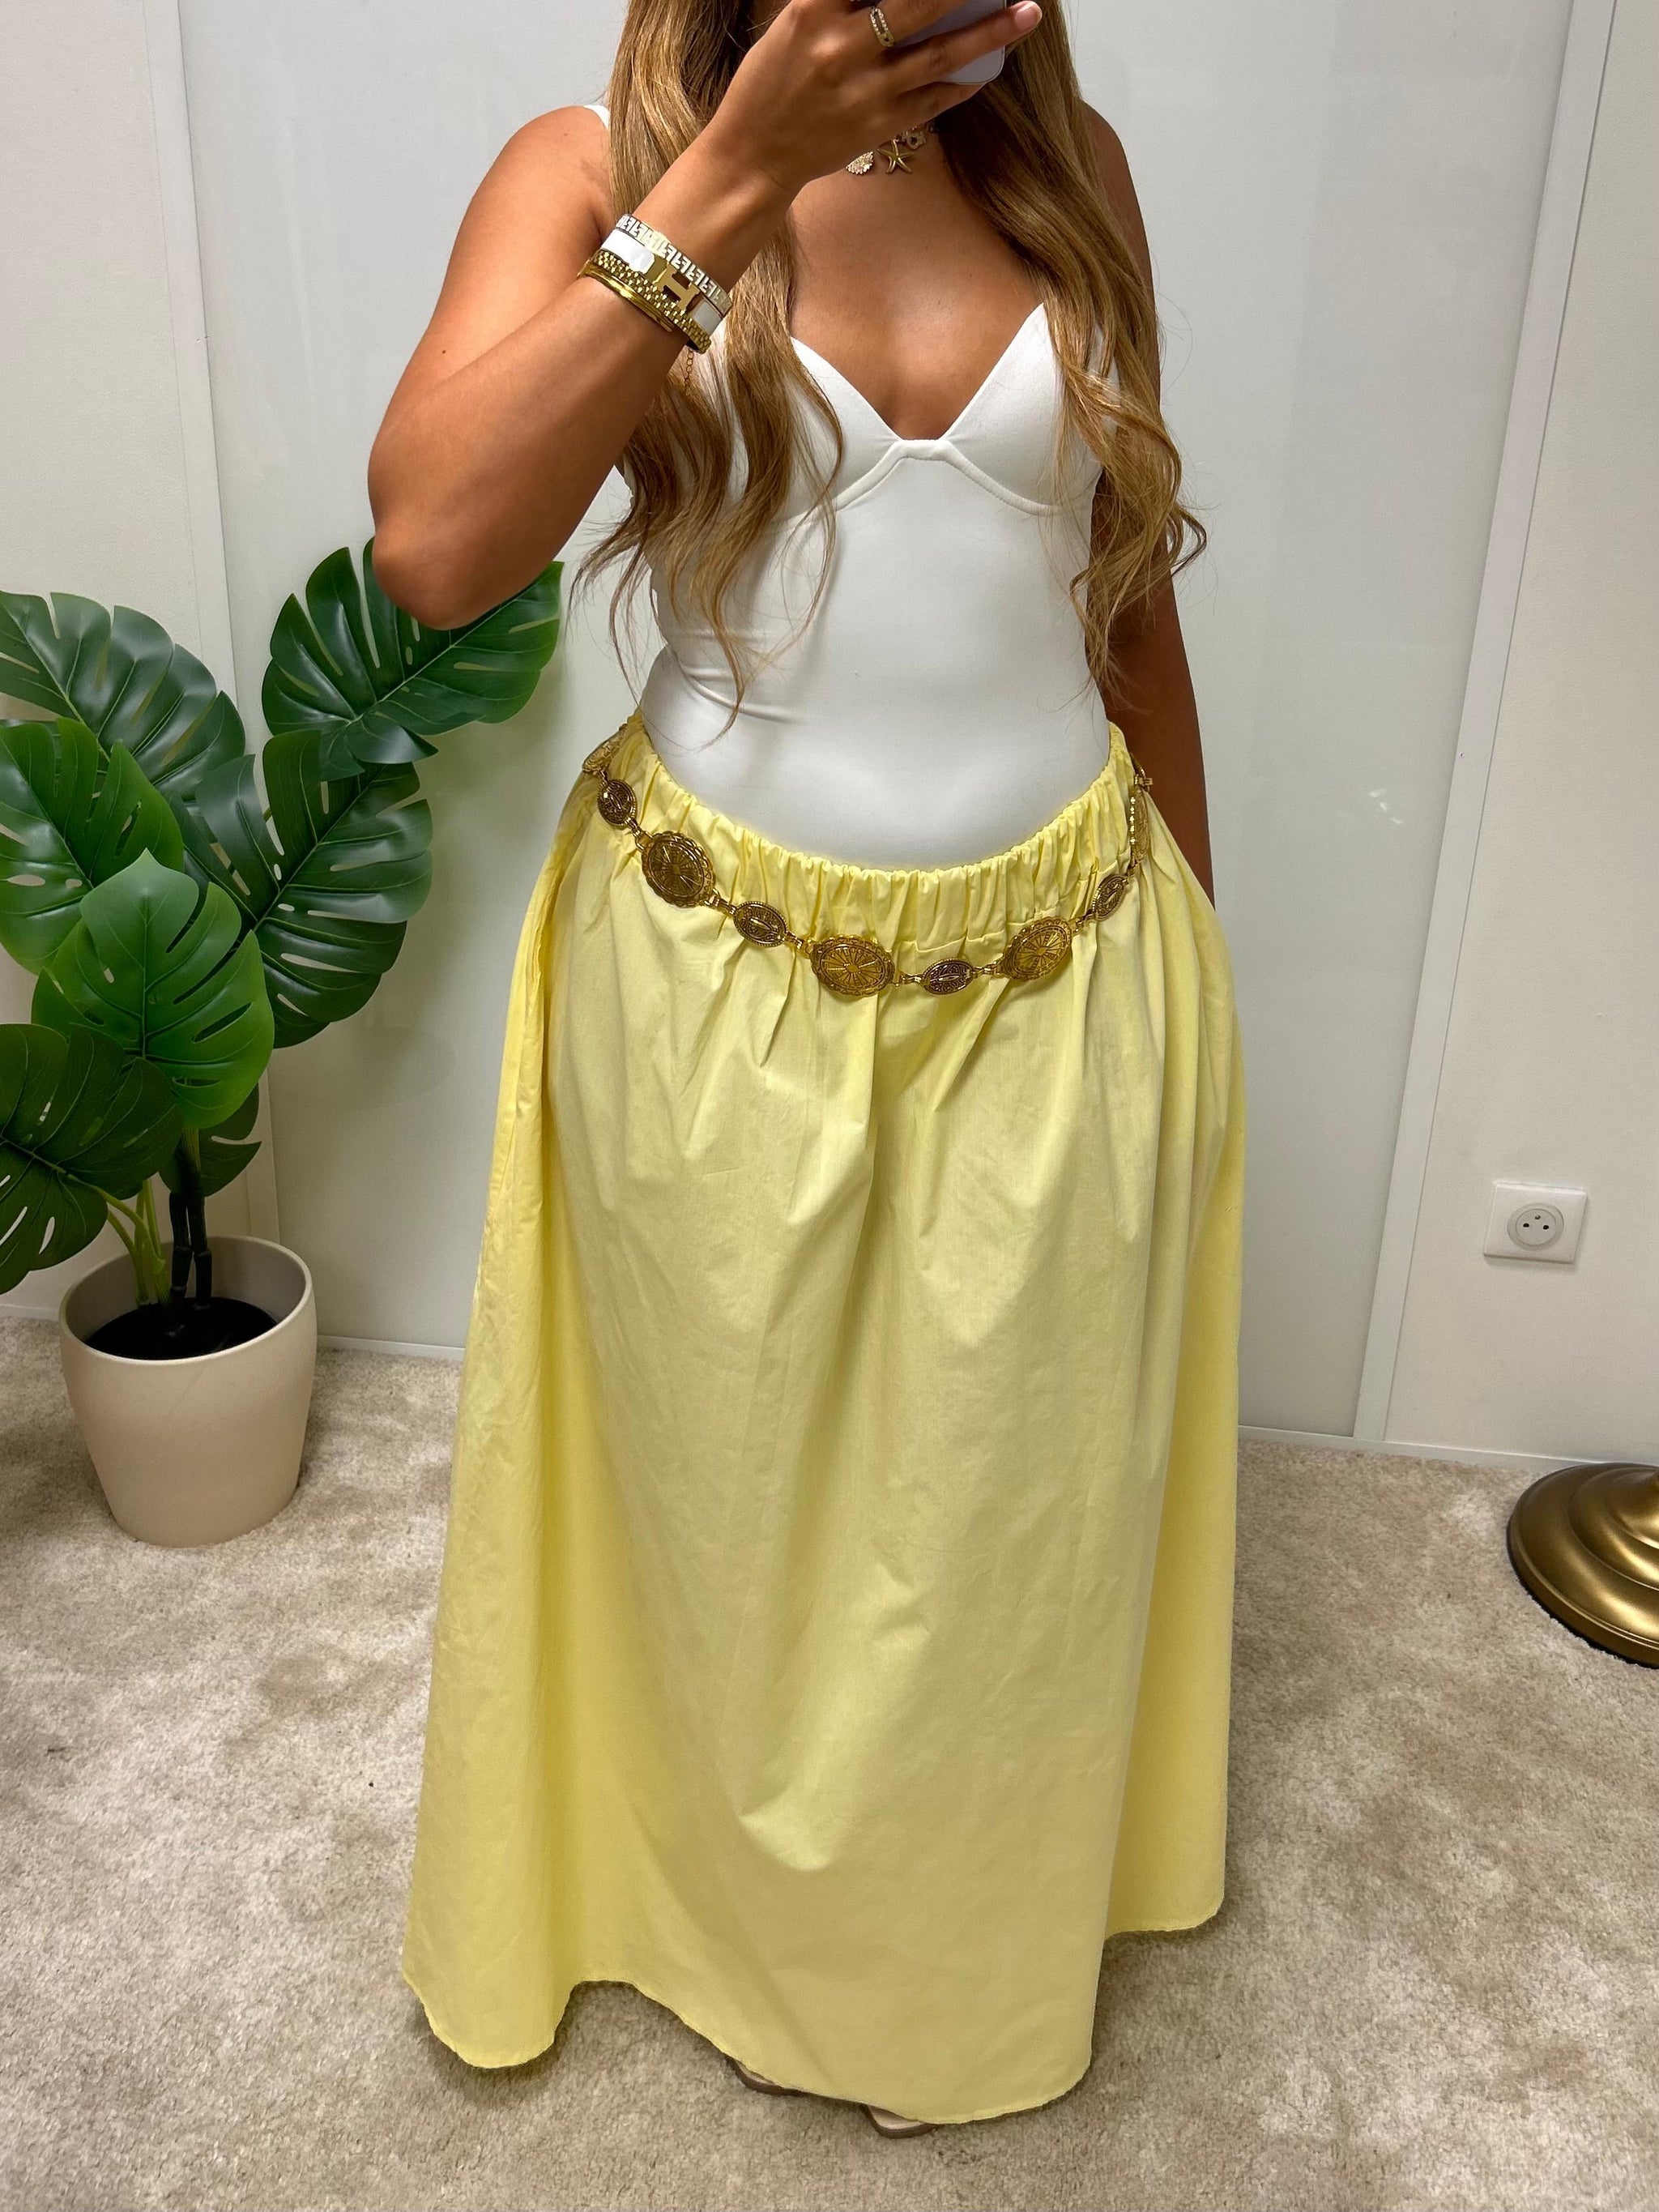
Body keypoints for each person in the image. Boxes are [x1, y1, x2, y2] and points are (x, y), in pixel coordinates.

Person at [371, 0, 1246, 2136]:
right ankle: (713, 1913)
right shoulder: (590, 174)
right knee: (723, 1500)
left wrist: (1200, 959)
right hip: (716, 981)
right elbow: (435, 552)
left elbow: (1123, 593)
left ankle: (944, 1958)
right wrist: (732, 179)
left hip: (1062, 958)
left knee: (1009, 1522)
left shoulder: (1076, 179)